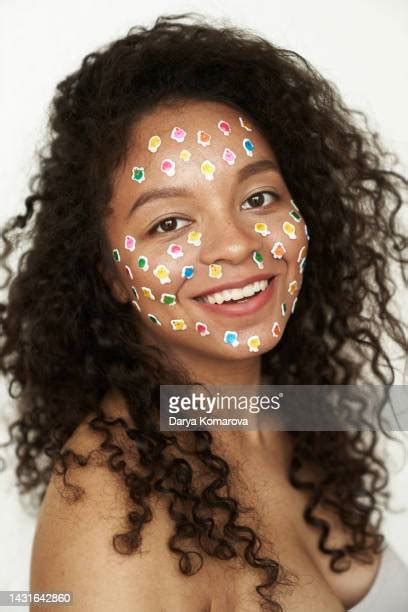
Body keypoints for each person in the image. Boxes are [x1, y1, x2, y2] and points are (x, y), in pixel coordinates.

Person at [0, 12, 407, 612]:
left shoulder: (293, 411)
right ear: (110, 272)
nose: (237, 244)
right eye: (170, 223)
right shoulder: (111, 521)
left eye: (259, 196)